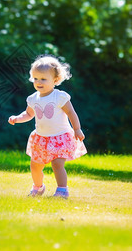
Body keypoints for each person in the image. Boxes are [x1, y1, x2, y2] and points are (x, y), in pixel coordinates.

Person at [8, 54, 87, 198]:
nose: (39, 82)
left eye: (43, 79)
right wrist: (17, 118)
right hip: (41, 139)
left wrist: (77, 128)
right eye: (36, 78)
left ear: (55, 80)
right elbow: (28, 114)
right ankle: (38, 187)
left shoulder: (59, 96)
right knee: (35, 166)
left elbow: (71, 113)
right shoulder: (32, 98)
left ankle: (62, 190)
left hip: (60, 137)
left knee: (57, 164)